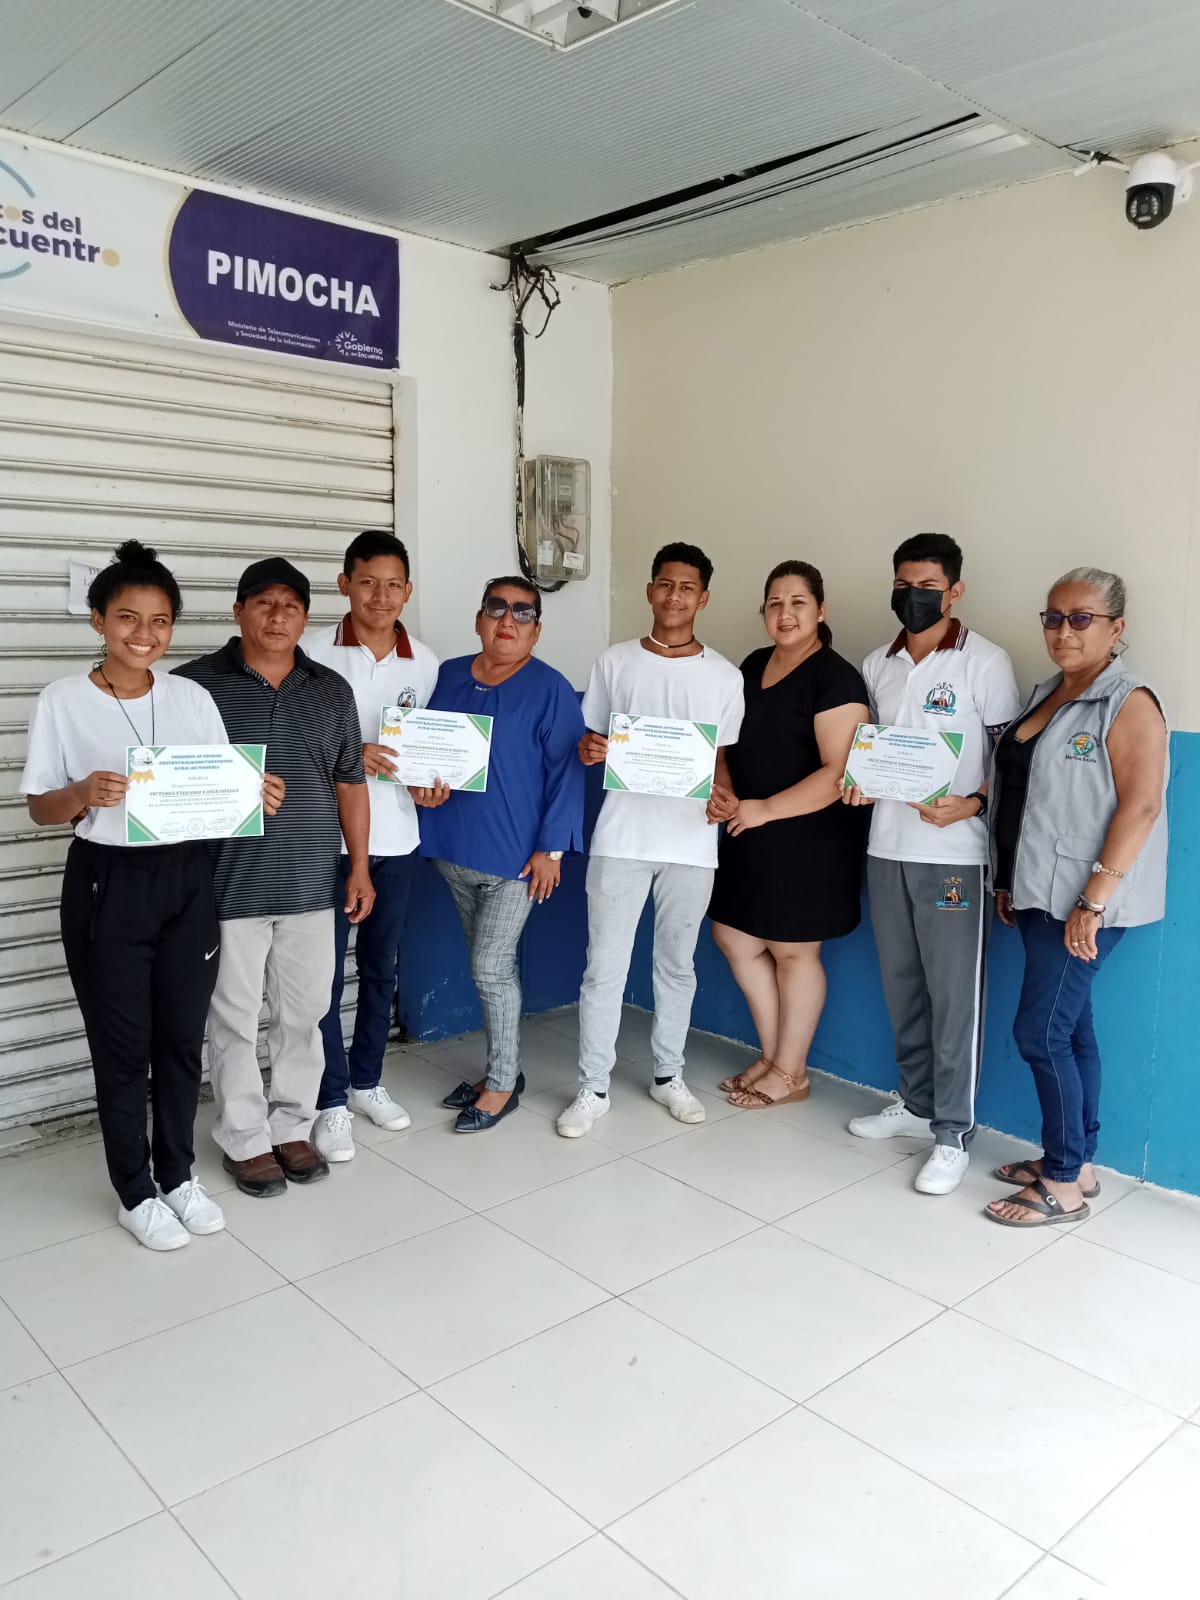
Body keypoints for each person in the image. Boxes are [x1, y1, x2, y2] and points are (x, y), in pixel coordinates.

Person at [19, 541, 281, 1250]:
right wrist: (81, 792)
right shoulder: (63, 700)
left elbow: (221, 792)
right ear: (99, 620)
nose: (144, 634)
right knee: (122, 1046)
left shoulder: (191, 697)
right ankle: (135, 1190)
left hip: (188, 880)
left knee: (180, 1039)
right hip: (109, 882)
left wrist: (257, 795)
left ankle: (177, 1173)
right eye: (128, 618)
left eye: (160, 620)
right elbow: (41, 808)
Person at [175, 558, 374, 1196]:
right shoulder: (192, 686)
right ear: (239, 612)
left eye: (290, 605)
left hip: (312, 884)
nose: (278, 615)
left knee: (305, 1015)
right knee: (232, 1019)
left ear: (305, 617)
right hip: (225, 887)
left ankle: (291, 1126)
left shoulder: (331, 689)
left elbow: (350, 782)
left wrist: (359, 866)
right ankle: (243, 1136)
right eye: (263, 603)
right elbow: (169, 781)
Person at [985, 569, 1168, 1227]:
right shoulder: (1048, 694)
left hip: (1082, 903)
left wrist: (1093, 901)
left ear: (1116, 628)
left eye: (1082, 618)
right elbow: (1025, 797)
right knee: (1071, 1025)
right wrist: (1006, 880)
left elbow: (1141, 807)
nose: (1064, 631)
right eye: (1054, 617)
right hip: (1036, 891)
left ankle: (1061, 1183)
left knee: (1040, 1032)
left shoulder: (1128, 702)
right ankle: (1077, 1162)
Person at [843, 533, 1021, 1194]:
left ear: (955, 591)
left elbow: (1009, 762)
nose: (913, 597)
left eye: (927, 587)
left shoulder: (985, 663)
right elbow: (867, 748)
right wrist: (858, 782)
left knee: (953, 995)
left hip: (954, 857)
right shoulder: (877, 662)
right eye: (903, 585)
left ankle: (952, 1133)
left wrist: (973, 804)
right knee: (902, 985)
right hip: (886, 847)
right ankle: (916, 1104)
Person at [557, 542, 744, 1138]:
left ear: (703, 598)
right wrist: (592, 750)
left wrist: (725, 797)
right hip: (622, 839)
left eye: (687, 587)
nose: (674, 596)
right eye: (665, 583)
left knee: (677, 968)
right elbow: (592, 742)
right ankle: (593, 1087)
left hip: (692, 843)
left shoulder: (725, 676)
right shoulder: (614, 662)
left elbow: (719, 762)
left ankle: (669, 1075)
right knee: (603, 969)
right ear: (649, 590)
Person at [415, 576, 584, 1132]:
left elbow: (566, 772)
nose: (507, 620)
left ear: (537, 629)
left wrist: (551, 850)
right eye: (496, 608)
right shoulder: (447, 676)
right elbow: (426, 748)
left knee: (489, 969)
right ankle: (499, 1070)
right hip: (453, 850)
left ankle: (504, 1084)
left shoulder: (551, 688)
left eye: (522, 612)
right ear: (479, 619)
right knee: (493, 970)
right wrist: (419, 784)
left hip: (516, 862)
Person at [705, 561, 869, 1108]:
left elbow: (839, 771)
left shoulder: (835, 678)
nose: (785, 613)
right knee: (734, 936)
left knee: (794, 952)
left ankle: (790, 1071)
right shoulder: (753, 664)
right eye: (775, 603)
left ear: (821, 611)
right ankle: (776, 1057)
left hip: (809, 834)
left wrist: (767, 810)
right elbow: (726, 743)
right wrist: (727, 791)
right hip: (749, 823)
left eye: (798, 602)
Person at [306, 532, 440, 1162]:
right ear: (345, 585)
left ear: (407, 591)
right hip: (324, 842)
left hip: (399, 838)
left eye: (393, 585)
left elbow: (436, 749)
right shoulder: (309, 652)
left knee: (382, 968)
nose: (380, 596)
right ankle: (329, 1098)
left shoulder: (427, 663)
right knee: (322, 977)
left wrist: (434, 785)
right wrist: (345, 754)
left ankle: (366, 1081)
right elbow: (290, 744)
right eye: (367, 583)